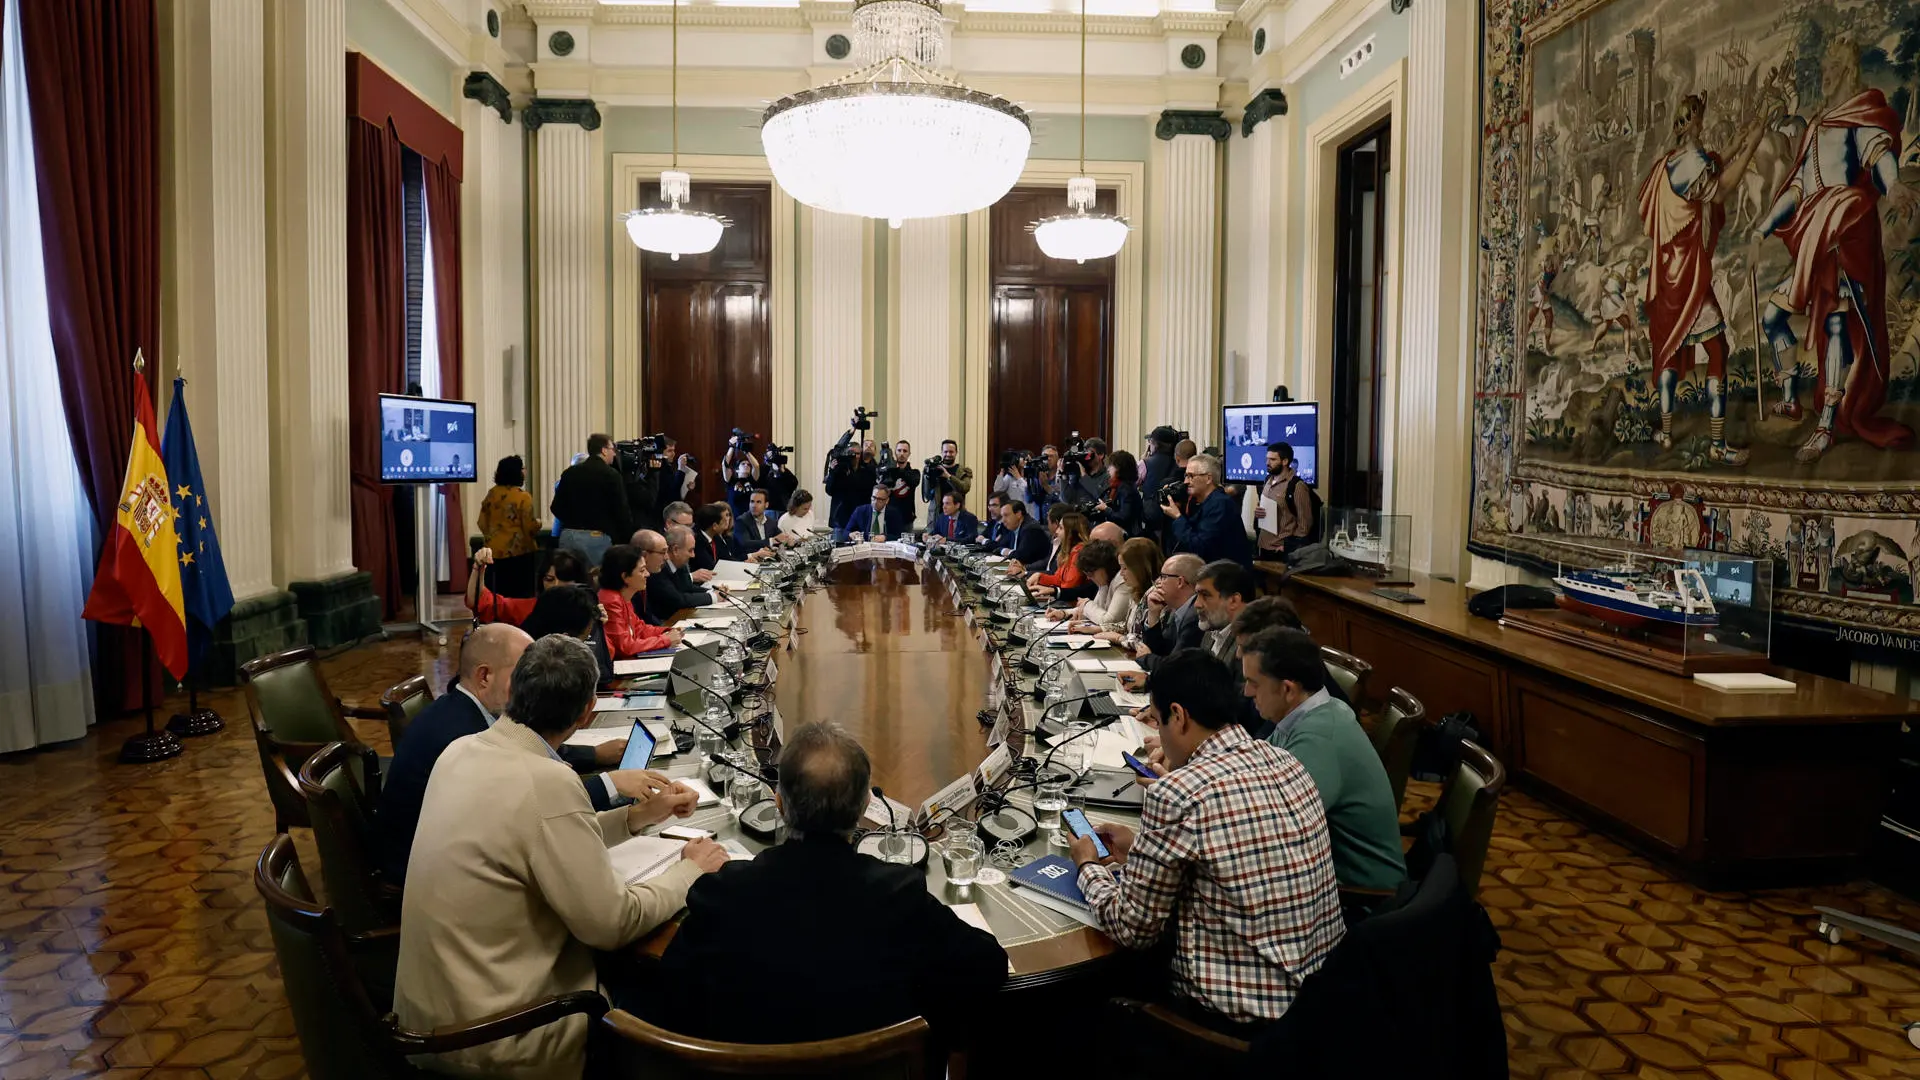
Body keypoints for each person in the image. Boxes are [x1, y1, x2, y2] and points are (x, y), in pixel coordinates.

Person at [394, 636, 730, 1080]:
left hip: (431, 1015)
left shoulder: (462, 750)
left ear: (516, 690)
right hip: (498, 1037)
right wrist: (692, 870)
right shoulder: (546, 781)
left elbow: (541, 835)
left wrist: (638, 816)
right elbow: (612, 924)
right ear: (587, 711)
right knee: (685, 994)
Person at [655, 722, 1008, 1048]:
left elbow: (672, 993)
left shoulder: (722, 892)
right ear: (864, 807)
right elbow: (987, 964)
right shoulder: (897, 893)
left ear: (778, 804)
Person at [1069, 649, 1344, 1035]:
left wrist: (1089, 866)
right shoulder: (1286, 761)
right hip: (1321, 1003)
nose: (1160, 735)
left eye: (1159, 721)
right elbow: (1233, 858)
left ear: (1178, 716)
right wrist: (1140, 851)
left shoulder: (1177, 793)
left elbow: (1131, 927)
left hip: (1237, 1027)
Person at [376, 624, 665, 883]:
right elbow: (534, 808)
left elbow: (531, 746)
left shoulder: (468, 710)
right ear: (485, 676)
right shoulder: (462, 737)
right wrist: (611, 784)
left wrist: (596, 756)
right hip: (426, 879)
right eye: (525, 671)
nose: (535, 680)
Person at [1240, 628, 1408, 898]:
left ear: (1287, 689)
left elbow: (1276, 831)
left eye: (1254, 683)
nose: (1247, 692)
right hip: (1327, 874)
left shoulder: (1319, 736)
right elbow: (1255, 763)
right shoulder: (1309, 712)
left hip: (1360, 895)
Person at [1116, 553, 1204, 687]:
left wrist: (1146, 658)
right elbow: (1160, 650)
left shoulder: (1194, 616)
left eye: (1163, 577)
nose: (1157, 582)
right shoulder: (1174, 609)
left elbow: (1175, 668)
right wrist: (1153, 614)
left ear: (1180, 582)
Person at [549, 433, 632, 568]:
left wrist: (573, 522)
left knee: (570, 579)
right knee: (595, 580)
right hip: (597, 538)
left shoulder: (570, 473)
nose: (615, 454)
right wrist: (626, 538)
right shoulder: (611, 475)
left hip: (569, 536)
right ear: (604, 450)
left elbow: (556, 507)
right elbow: (621, 510)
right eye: (613, 449)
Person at [466, 548, 591, 626]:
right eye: (549, 579)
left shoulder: (590, 613)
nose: (556, 585)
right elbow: (480, 602)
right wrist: (478, 568)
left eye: (564, 579)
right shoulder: (529, 608)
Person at [597, 546, 682, 660]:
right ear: (625, 576)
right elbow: (625, 647)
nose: (648, 574)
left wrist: (667, 631)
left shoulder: (623, 596)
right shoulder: (611, 600)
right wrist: (665, 640)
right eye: (642, 570)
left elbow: (639, 629)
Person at [1166, 453, 1251, 567]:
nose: (1186, 482)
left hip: (1227, 578)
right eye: (1186, 476)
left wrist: (1177, 517)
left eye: (1191, 476)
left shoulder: (1220, 504)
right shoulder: (1205, 502)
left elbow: (1199, 547)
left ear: (1208, 478)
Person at [478, 455, 542, 597]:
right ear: (516, 472)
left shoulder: (492, 494)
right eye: (522, 468)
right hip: (519, 553)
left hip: (493, 553)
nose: (525, 471)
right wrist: (539, 524)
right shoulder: (523, 497)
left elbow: (481, 522)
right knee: (519, 595)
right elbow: (529, 526)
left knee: (497, 596)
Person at [1088, 537, 1160, 643]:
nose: (1121, 573)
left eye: (1124, 568)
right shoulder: (1136, 589)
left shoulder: (1155, 594)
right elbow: (1128, 626)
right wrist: (1100, 629)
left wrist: (1118, 638)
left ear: (1139, 568)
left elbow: (1143, 642)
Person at [1051, 539, 1131, 634]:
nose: (1089, 577)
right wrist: (1064, 613)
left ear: (1105, 566)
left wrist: (1086, 604)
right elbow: (1095, 611)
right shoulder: (1105, 581)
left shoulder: (1123, 581)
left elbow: (1108, 621)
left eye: (1091, 573)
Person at [1255, 442, 1318, 558]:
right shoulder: (1267, 480)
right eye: (1267, 459)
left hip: (1280, 550)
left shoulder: (1297, 486)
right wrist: (1258, 513)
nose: (1267, 463)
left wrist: (1289, 547)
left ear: (1285, 461)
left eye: (1273, 459)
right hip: (1263, 546)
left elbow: (1304, 525)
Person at [649, 525, 715, 620]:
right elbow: (678, 600)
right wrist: (712, 597)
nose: (693, 555)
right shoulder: (658, 570)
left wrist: (712, 591)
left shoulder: (681, 564)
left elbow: (688, 588)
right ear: (675, 550)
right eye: (690, 550)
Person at [1027, 510, 1089, 600]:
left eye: (1060, 528)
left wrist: (1050, 591)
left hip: (1071, 605)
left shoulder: (1080, 553)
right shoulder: (1069, 551)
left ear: (1071, 532)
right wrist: (1039, 576)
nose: (1056, 531)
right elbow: (1058, 579)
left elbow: (1069, 586)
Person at [1092, 448, 1143, 538]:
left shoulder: (1126, 488)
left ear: (1119, 468)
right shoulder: (1117, 486)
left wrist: (1106, 509)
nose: (1108, 469)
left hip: (1127, 536)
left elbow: (1124, 516)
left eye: (1111, 466)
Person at [921, 438, 973, 510]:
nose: (948, 454)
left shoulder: (964, 471)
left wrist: (948, 476)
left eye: (951, 452)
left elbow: (965, 488)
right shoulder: (934, 470)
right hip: (937, 515)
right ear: (942, 452)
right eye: (945, 452)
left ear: (956, 453)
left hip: (957, 513)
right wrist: (928, 476)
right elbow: (927, 495)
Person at [691, 503, 745, 571]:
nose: (727, 520)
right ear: (714, 526)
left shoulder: (715, 536)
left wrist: (744, 564)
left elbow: (727, 559)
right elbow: (711, 567)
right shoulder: (697, 541)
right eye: (723, 519)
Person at [883, 440, 920, 536]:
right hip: (888, 517)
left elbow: (913, 481)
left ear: (909, 454)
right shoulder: (888, 472)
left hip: (906, 519)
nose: (902, 454)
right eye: (899, 450)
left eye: (905, 451)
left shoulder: (914, 473)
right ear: (895, 452)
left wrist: (896, 468)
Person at [997, 499, 1049, 566]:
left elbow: (1021, 556)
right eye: (1002, 516)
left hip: (1033, 572)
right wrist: (1005, 551)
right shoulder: (1013, 527)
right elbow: (999, 547)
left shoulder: (1031, 529)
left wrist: (1008, 552)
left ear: (1018, 514)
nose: (1003, 520)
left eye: (1006, 515)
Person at [733, 489, 782, 556]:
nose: (754, 505)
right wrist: (770, 541)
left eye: (758, 502)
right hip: (749, 562)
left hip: (767, 560)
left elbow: (780, 537)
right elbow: (745, 543)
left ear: (766, 505)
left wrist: (787, 541)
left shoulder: (771, 522)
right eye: (752, 502)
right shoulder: (741, 521)